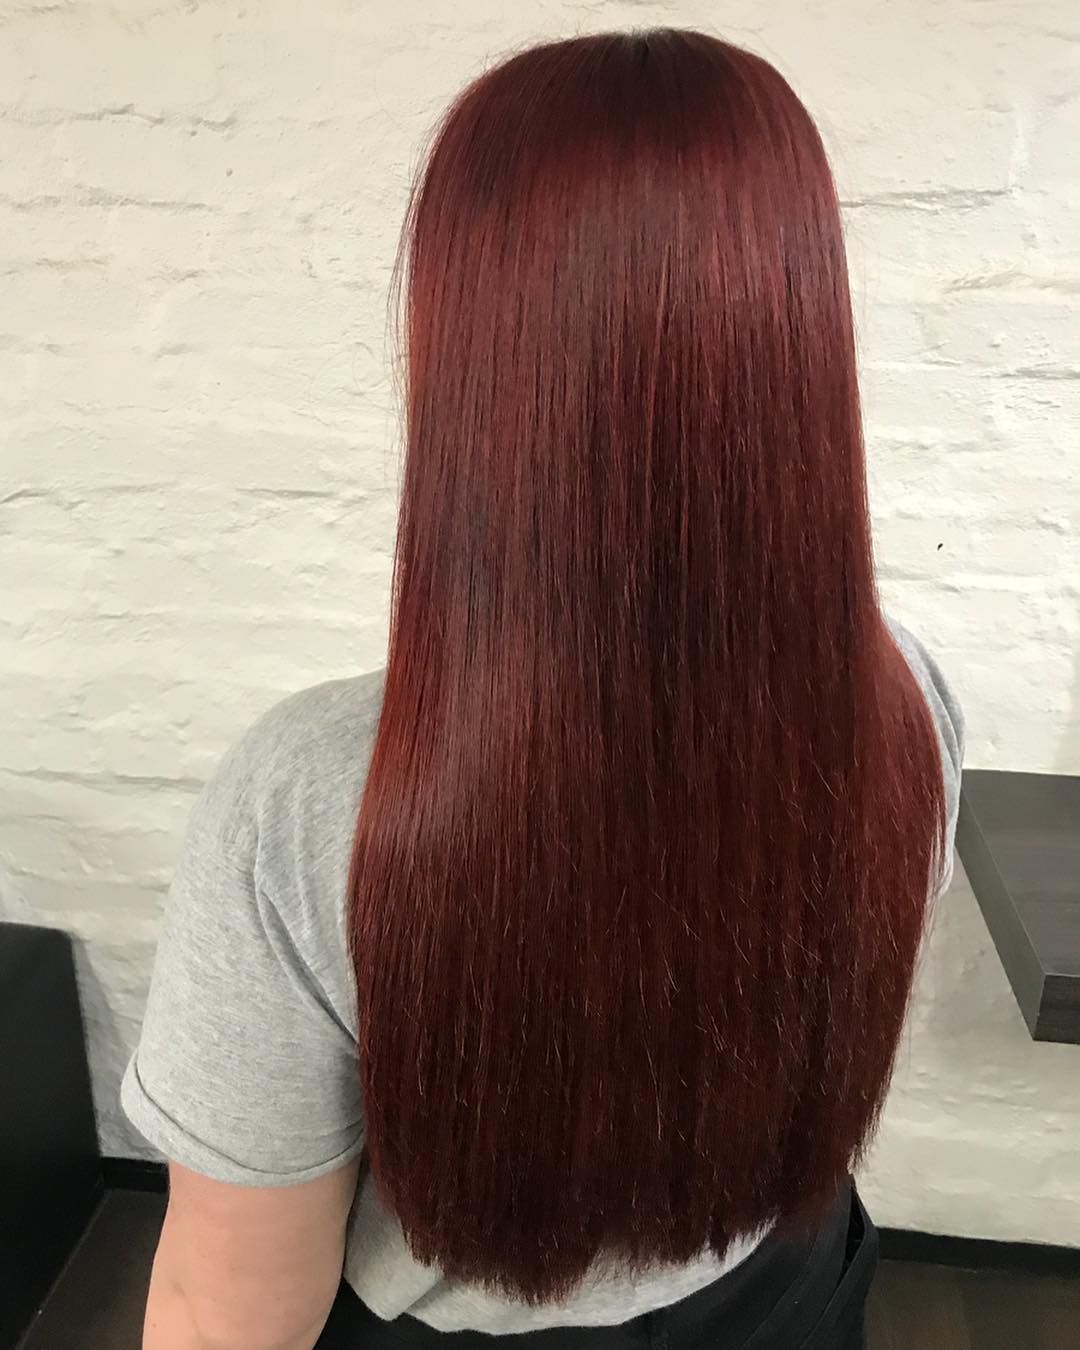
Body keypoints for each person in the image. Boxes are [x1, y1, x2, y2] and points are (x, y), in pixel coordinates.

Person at [122, 28, 964, 1350]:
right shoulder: (905, 694)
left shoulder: (307, 797)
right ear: (796, 328)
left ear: (471, 350)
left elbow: (229, 1303)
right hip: (789, 1293)